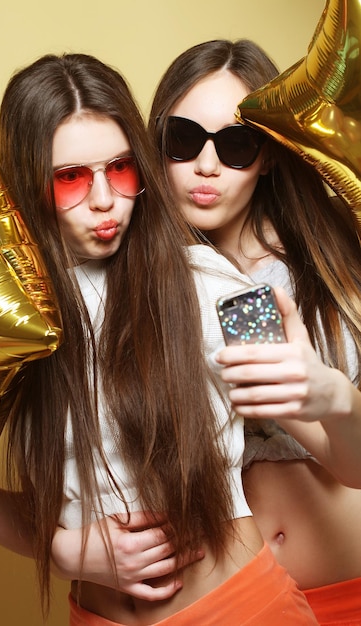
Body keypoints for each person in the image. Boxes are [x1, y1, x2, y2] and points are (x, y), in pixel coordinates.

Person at [0, 52, 321, 625]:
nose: (103, 201)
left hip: (242, 610)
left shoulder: (222, 283)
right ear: (27, 180)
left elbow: (339, 450)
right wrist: (56, 547)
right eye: (70, 178)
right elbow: (65, 505)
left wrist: (332, 397)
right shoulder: (6, 318)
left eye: (119, 170)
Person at [148, 38, 361, 625]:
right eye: (184, 139)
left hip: (346, 594)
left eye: (236, 145)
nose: (207, 166)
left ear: (267, 156)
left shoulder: (323, 269)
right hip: (228, 604)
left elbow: (352, 465)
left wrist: (334, 397)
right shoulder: (152, 287)